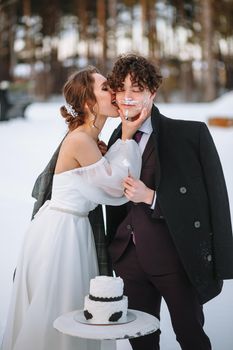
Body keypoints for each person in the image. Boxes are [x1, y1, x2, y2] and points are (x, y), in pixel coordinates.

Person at [1, 66, 145, 350]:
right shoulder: (80, 140)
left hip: (74, 230)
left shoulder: (90, 139)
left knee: (72, 308)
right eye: (106, 88)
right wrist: (127, 138)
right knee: (58, 311)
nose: (115, 93)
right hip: (60, 236)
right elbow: (115, 188)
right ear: (90, 102)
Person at [106, 53, 233, 350]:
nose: (127, 97)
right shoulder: (115, 138)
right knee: (141, 341)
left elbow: (212, 199)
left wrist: (151, 198)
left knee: (191, 336)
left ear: (152, 92)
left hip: (175, 258)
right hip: (128, 261)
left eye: (136, 89)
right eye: (121, 89)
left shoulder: (190, 135)